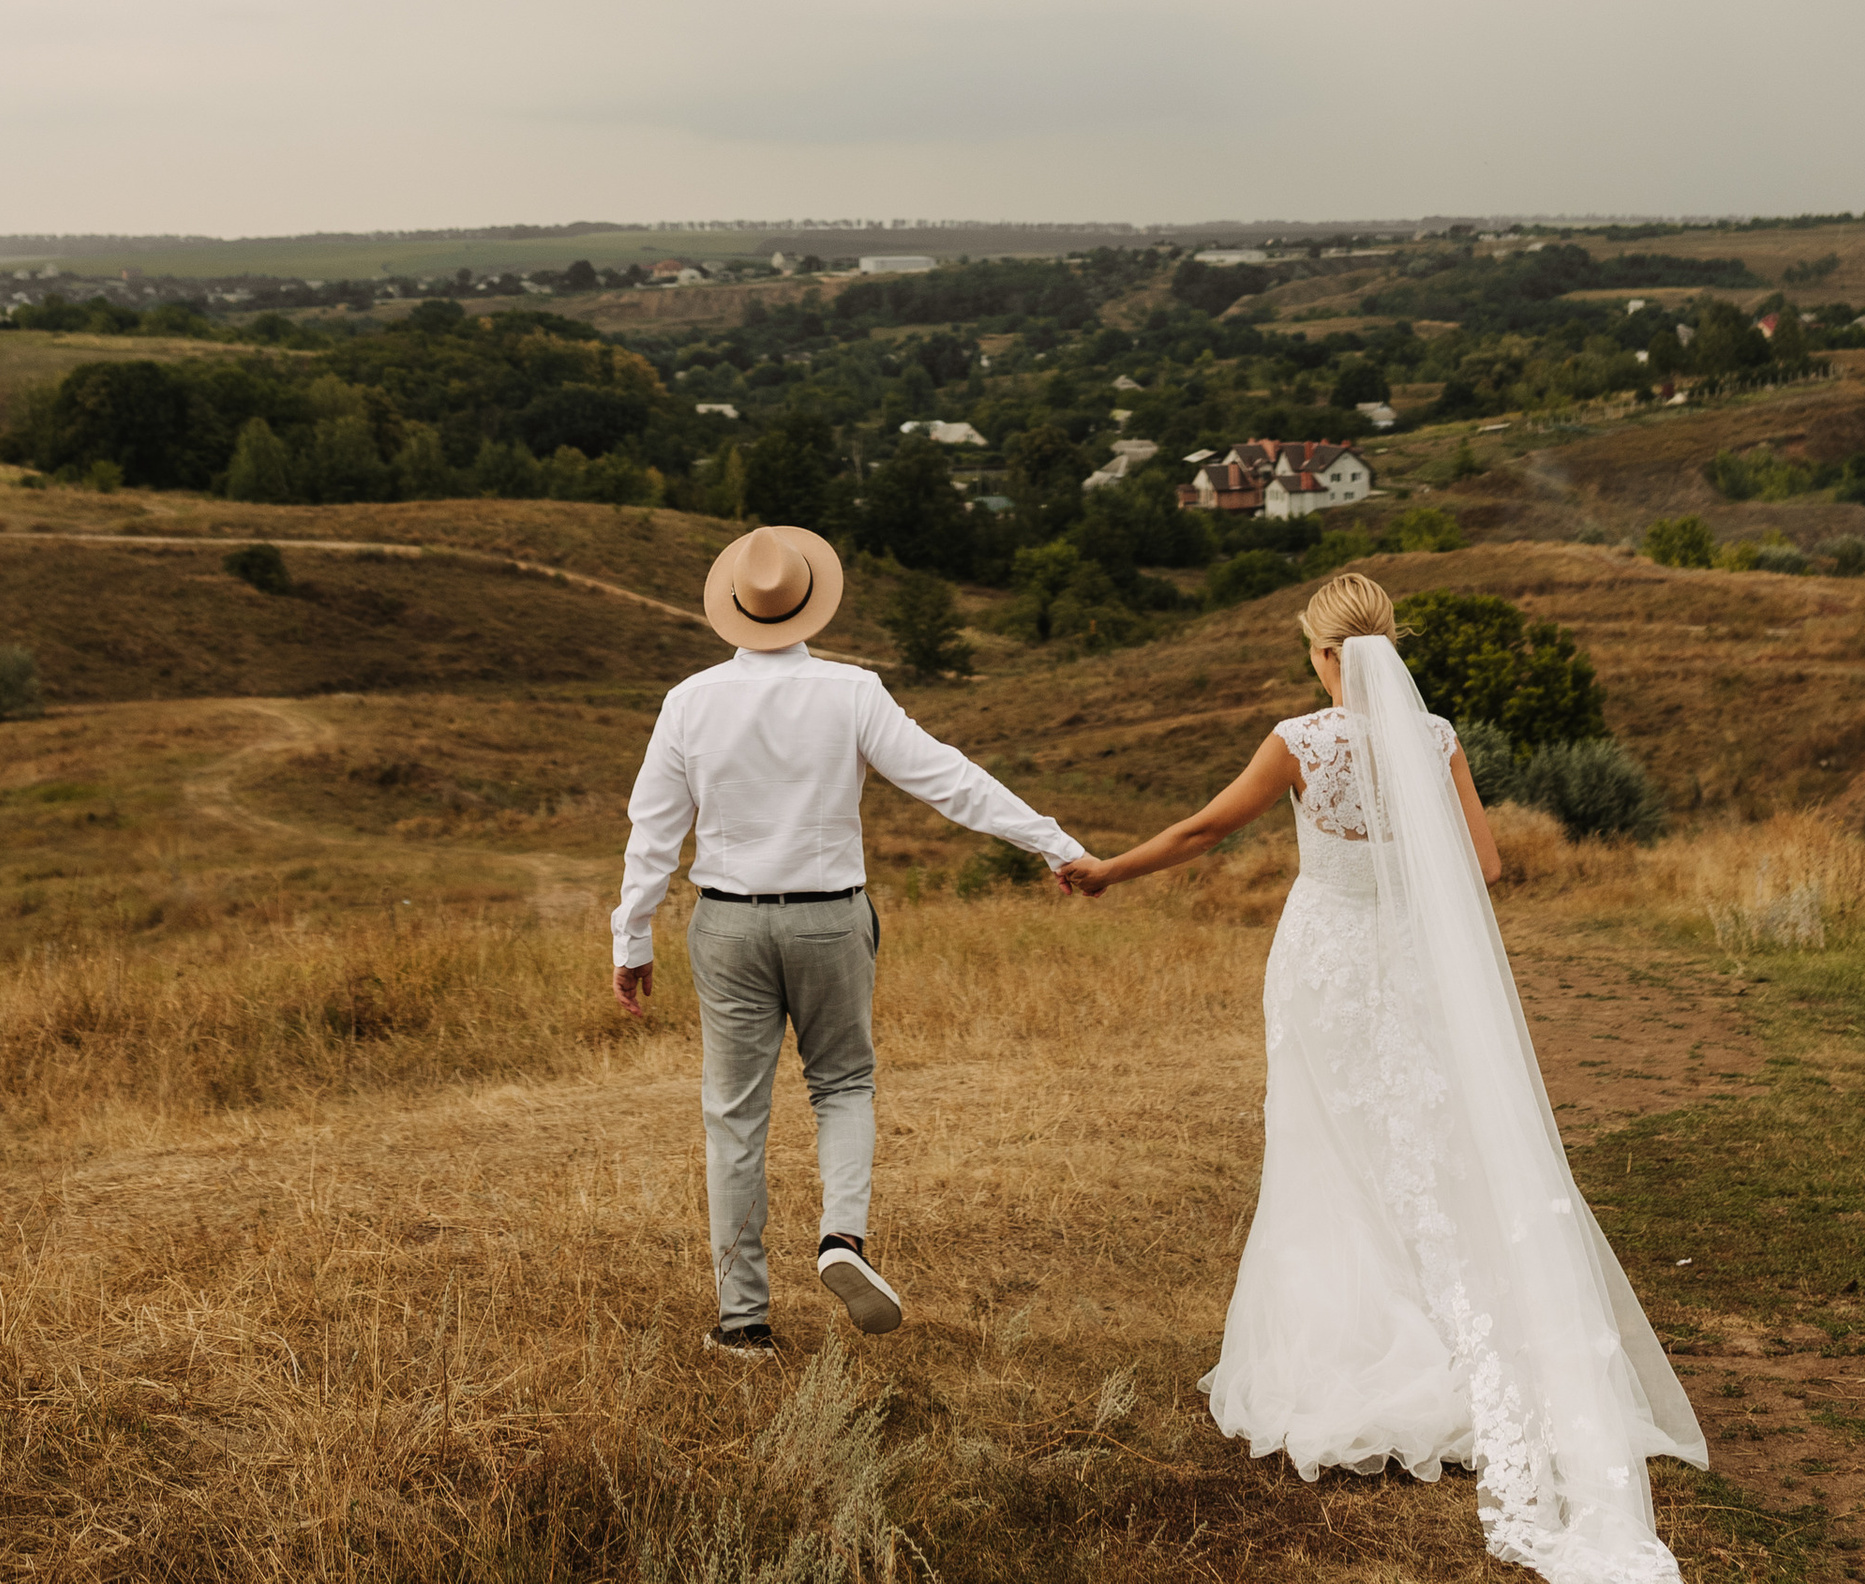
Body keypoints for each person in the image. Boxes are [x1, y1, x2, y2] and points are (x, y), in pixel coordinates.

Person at [1066, 568, 1705, 1584]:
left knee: (1327, 1145)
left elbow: (1201, 832)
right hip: (1412, 963)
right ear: (1389, 648)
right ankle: (1465, 1340)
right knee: (1428, 1141)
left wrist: (1104, 869)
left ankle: (1346, 1355)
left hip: (1322, 964)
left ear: (1324, 655)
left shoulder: (1299, 742)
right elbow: (1485, 869)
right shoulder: (1435, 739)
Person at [613, 520, 1099, 1356]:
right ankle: (842, 1240)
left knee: (733, 1117)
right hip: (832, 916)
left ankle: (743, 1325)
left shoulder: (689, 701)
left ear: (733, 607)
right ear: (809, 607)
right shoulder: (851, 692)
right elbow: (949, 779)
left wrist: (632, 937)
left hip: (727, 920)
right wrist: (1055, 842)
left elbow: (653, 831)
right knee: (841, 1086)